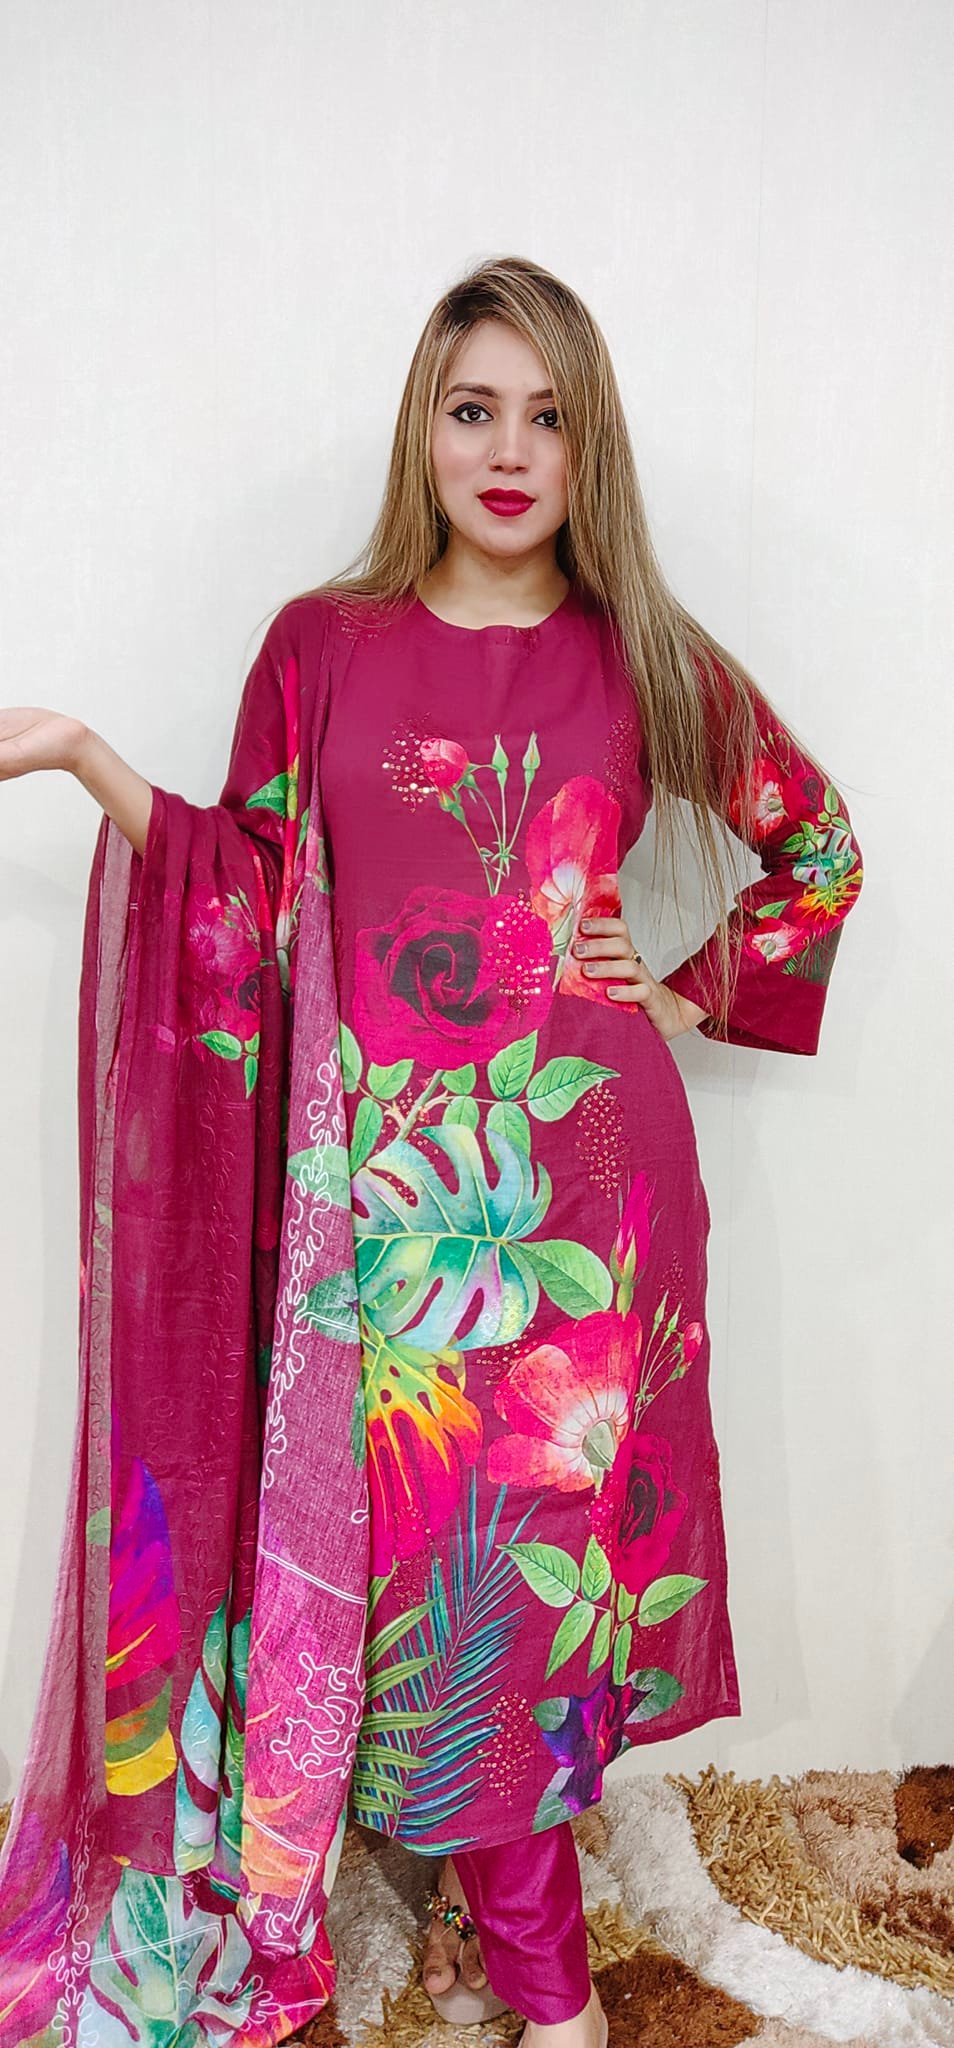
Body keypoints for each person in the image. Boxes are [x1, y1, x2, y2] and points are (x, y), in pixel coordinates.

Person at [0, 255, 863, 2048]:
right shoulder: (322, 646)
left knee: (516, 1612)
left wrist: (683, 984)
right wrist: (87, 758)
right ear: (426, 426)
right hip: (379, 1215)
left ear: (588, 445)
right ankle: (483, 1920)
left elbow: (816, 847)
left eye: (548, 417)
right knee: (411, 1594)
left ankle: (554, 1997)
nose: (508, 450)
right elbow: (248, 895)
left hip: (583, 1209)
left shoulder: (640, 655)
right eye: (474, 409)